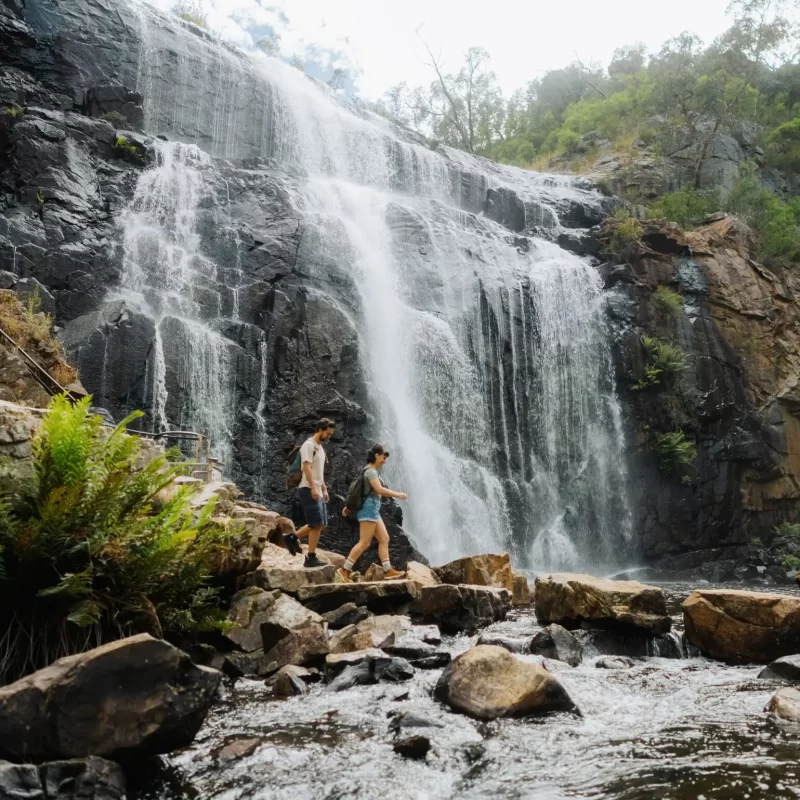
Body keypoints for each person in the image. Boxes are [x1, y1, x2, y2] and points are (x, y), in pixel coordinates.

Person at [336, 443, 408, 583]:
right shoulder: (371, 472)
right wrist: (398, 494)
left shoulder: (367, 471)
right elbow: (379, 490)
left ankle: (387, 570)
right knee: (364, 542)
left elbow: (360, 491)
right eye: (383, 457)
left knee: (384, 538)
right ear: (376, 455)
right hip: (369, 509)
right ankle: (345, 570)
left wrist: (349, 507)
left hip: (373, 509)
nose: (384, 460)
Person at [283, 418, 335, 568]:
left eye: (331, 434)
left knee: (321, 524)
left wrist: (324, 488)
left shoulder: (320, 448)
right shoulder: (308, 445)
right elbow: (306, 468)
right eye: (328, 433)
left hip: (317, 488)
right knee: (316, 523)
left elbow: (319, 472)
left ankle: (291, 538)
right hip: (307, 488)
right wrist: (313, 487)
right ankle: (310, 557)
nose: (329, 436)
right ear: (320, 429)